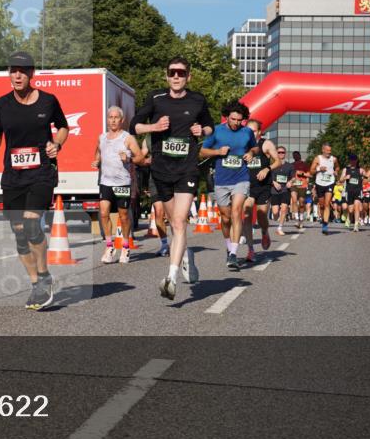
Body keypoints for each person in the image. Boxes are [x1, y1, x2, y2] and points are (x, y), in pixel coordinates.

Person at [0, 51, 68, 311]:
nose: (17, 75)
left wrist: (57, 144)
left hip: (41, 172)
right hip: (13, 177)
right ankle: (36, 284)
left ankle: (43, 276)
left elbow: (63, 127)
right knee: (19, 234)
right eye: (12, 70)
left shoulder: (48, 101)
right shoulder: (1, 105)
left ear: (31, 74)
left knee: (31, 224)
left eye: (22, 70)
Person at [131, 56, 214, 299]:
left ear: (189, 76)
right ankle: (186, 256)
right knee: (171, 223)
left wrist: (202, 130)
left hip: (187, 168)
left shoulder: (197, 100)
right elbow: (134, 125)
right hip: (161, 170)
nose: (176, 77)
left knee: (179, 222)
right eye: (172, 72)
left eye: (181, 73)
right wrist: (153, 128)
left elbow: (210, 126)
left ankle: (171, 277)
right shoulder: (156, 98)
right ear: (166, 75)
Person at [200, 100, 254, 271]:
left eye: (240, 120)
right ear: (226, 117)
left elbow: (255, 148)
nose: (237, 123)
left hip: (241, 177)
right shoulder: (216, 131)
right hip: (222, 179)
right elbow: (202, 152)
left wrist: (251, 153)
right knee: (225, 217)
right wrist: (217, 152)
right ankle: (228, 246)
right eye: (233, 119)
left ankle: (233, 253)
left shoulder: (247, 132)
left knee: (237, 211)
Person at [94, 106, 142, 264]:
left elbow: (140, 157)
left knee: (123, 216)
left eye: (116, 117)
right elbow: (98, 152)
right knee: (103, 213)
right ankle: (109, 246)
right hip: (105, 181)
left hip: (122, 182)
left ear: (121, 120)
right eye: (110, 117)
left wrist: (128, 159)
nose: (113, 120)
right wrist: (97, 161)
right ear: (107, 119)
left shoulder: (127, 138)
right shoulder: (102, 137)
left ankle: (126, 246)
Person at [244, 119, 281, 262]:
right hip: (247, 185)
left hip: (263, 187)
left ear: (259, 132)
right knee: (246, 214)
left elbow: (278, 161)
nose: (250, 133)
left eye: (253, 131)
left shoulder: (266, 144)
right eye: (248, 130)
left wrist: (267, 168)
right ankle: (250, 250)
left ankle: (265, 232)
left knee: (261, 216)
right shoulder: (243, 145)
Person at [310, 144, 340, 235]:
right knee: (322, 205)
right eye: (327, 150)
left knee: (327, 203)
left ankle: (325, 225)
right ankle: (323, 220)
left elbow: (338, 167)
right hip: (319, 183)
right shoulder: (317, 158)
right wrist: (319, 168)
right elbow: (311, 171)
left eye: (330, 150)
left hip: (330, 183)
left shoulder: (334, 159)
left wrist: (336, 171)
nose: (329, 152)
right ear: (323, 150)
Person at [268, 146, 294, 236]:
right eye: (279, 152)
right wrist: (274, 182)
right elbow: (268, 177)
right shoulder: (272, 165)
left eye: (282, 152)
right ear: (276, 153)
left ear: (285, 153)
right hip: (274, 190)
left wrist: (290, 182)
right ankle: (276, 218)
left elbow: (293, 177)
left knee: (284, 208)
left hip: (285, 190)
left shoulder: (289, 166)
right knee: (275, 213)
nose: (281, 154)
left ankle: (280, 228)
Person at [341, 154, 365, 232]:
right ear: (349, 160)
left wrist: (367, 178)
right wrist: (345, 177)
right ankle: (348, 217)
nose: (353, 161)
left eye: (354, 159)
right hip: (349, 191)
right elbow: (340, 180)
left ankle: (356, 225)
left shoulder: (361, 170)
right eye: (351, 159)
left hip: (358, 191)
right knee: (351, 210)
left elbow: (367, 177)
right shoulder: (346, 169)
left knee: (357, 207)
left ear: (357, 160)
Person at [290, 150, 310, 229]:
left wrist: (301, 173)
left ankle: (301, 219)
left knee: (301, 203)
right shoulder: (291, 165)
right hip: (294, 185)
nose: (295, 156)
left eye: (296, 155)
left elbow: (309, 175)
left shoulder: (304, 164)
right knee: (294, 200)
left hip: (302, 185)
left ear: (299, 156)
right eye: (293, 155)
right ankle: (296, 219)